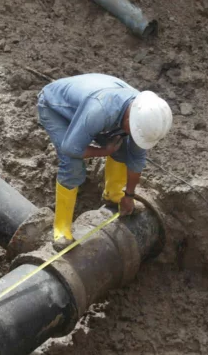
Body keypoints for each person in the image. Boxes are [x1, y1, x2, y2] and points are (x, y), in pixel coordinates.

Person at [37, 74, 173, 247]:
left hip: (89, 108)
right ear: (127, 119)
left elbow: (136, 158)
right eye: (132, 130)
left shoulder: (144, 113)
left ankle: (114, 194)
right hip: (56, 108)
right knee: (72, 165)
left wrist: (128, 195)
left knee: (123, 149)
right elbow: (71, 149)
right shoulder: (100, 111)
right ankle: (61, 228)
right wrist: (104, 151)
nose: (133, 134)